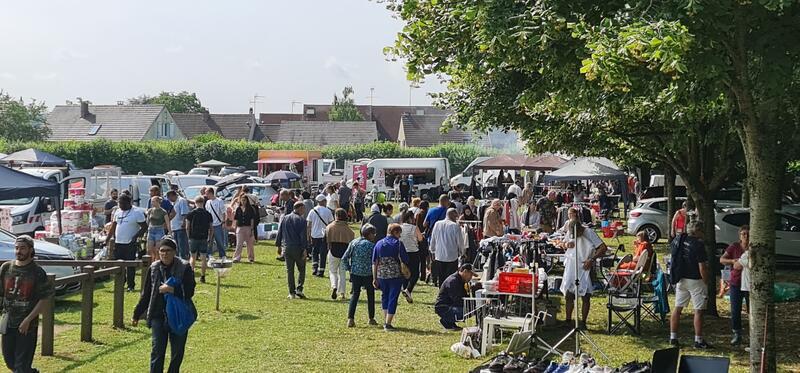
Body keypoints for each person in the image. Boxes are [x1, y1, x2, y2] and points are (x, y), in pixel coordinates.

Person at [132, 238, 196, 373]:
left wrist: (171, 289)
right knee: (157, 351)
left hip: (178, 314)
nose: (164, 254)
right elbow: (147, 293)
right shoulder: (154, 268)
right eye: (162, 251)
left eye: (168, 251)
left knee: (177, 352)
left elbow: (190, 291)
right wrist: (137, 314)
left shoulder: (184, 267)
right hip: (158, 315)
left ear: (174, 252)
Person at [1, 235, 54, 373]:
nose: (19, 251)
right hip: (7, 322)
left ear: (31, 250)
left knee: (21, 366)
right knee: (10, 362)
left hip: (27, 325)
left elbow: (44, 299)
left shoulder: (37, 272)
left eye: (23, 248)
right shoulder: (6, 268)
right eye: (17, 248)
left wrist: (28, 320)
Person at [559, 207, 608, 330]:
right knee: (569, 294)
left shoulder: (588, 232)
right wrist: (566, 244)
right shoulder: (570, 231)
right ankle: (568, 320)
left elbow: (603, 248)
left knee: (585, 295)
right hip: (571, 266)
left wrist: (591, 259)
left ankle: (583, 322)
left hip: (584, 266)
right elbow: (562, 243)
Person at [669, 220, 711, 349]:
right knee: (698, 311)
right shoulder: (698, 245)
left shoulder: (680, 240)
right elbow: (702, 267)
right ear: (698, 231)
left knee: (677, 308)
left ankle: (673, 337)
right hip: (696, 280)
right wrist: (706, 281)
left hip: (681, 278)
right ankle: (698, 340)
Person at [372, 224, 410, 331]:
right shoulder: (398, 244)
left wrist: (374, 278)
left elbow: (374, 262)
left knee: (385, 296)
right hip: (395, 275)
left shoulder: (378, 243)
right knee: (393, 298)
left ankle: (386, 319)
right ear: (395, 232)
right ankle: (388, 323)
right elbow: (406, 259)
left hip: (381, 275)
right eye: (399, 233)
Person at [106, 194, 147, 291]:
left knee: (130, 265)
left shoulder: (137, 212)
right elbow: (113, 227)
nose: (121, 205)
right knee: (119, 265)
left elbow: (144, 227)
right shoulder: (118, 212)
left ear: (129, 203)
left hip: (130, 243)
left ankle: (130, 285)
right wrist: (107, 240)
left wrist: (135, 237)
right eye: (119, 203)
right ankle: (120, 282)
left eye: (123, 203)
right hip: (118, 242)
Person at [343, 224, 379, 327]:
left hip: (355, 273)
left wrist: (349, 269)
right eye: (373, 234)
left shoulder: (354, 243)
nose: (375, 236)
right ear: (369, 234)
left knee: (355, 294)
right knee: (370, 295)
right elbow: (376, 260)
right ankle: (371, 318)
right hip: (368, 274)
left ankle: (350, 319)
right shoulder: (371, 246)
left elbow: (344, 258)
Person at [721, 225, 750, 345]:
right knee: (735, 310)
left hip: (749, 284)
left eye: (748, 234)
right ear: (740, 236)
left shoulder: (753, 247)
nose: (746, 236)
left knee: (751, 310)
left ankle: (753, 334)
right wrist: (733, 261)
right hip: (736, 282)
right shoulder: (734, 246)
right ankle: (737, 333)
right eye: (743, 234)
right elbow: (722, 259)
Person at [276, 201, 308, 299]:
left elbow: (280, 232)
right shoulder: (301, 220)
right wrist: (305, 249)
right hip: (298, 247)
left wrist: (278, 245)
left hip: (287, 247)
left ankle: (291, 292)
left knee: (290, 271)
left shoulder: (285, 218)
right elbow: (303, 237)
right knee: (301, 269)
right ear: (299, 208)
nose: (304, 211)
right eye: (303, 209)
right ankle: (299, 289)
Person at [429, 208, 466, 288]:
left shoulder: (437, 224)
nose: (457, 217)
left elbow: (433, 239)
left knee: (441, 277)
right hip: (451, 256)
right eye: (455, 215)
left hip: (439, 255)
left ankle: (441, 292)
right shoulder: (455, 226)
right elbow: (460, 241)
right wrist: (462, 252)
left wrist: (432, 251)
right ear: (452, 215)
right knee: (451, 277)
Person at [435, 264, 475, 331]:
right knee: (471, 310)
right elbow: (457, 300)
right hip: (444, 308)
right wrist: (471, 306)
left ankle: (449, 322)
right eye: (470, 275)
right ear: (465, 271)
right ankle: (446, 320)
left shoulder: (460, 280)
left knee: (472, 309)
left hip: (448, 306)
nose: (471, 277)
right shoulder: (453, 281)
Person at [326, 208, 355, 300]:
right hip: (344, 253)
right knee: (342, 274)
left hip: (333, 250)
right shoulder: (349, 230)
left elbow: (327, 240)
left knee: (332, 271)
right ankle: (342, 293)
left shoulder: (330, 227)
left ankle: (334, 286)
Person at [185, 196, 212, 283]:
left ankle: (191, 275)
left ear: (195, 203)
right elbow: (211, 228)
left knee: (193, 257)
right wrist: (210, 238)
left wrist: (188, 237)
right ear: (203, 203)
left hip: (193, 237)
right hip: (204, 237)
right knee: (203, 257)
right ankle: (203, 276)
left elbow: (187, 227)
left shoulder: (191, 214)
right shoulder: (208, 214)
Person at [399, 211, 424, 303]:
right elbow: (420, 238)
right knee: (415, 274)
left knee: (406, 272)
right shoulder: (414, 228)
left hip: (403, 252)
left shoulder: (400, 227)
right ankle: (408, 290)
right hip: (413, 252)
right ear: (409, 218)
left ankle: (405, 288)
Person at [308, 194, 334, 277]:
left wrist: (308, 235)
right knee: (323, 253)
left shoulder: (312, 211)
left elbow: (309, 224)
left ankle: (314, 268)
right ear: (323, 201)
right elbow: (331, 224)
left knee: (314, 251)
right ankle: (321, 270)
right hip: (324, 235)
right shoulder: (328, 211)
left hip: (314, 234)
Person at [233, 194, 259, 263]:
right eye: (242, 200)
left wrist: (252, 229)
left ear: (247, 201)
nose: (243, 202)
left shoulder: (250, 209)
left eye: (245, 200)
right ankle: (236, 257)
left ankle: (251, 257)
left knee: (249, 244)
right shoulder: (238, 209)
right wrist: (235, 229)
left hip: (248, 227)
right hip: (240, 227)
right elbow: (236, 219)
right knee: (239, 244)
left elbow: (252, 219)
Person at [166, 191, 190, 260]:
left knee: (182, 246)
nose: (169, 200)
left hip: (180, 227)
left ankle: (184, 260)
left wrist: (184, 222)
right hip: (174, 227)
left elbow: (185, 213)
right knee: (176, 246)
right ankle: (177, 260)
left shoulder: (181, 201)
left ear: (172, 195)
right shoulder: (173, 203)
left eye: (169, 198)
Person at [204, 187, 228, 259]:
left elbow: (223, 212)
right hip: (210, 225)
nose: (206, 195)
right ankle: (209, 254)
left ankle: (222, 255)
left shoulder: (219, 201)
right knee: (209, 241)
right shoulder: (208, 202)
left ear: (211, 193)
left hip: (218, 224)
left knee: (219, 241)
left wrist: (223, 222)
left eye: (207, 194)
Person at [414, 201, 431, 285]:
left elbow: (416, 225)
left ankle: (418, 275)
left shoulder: (418, 214)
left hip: (418, 237)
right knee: (424, 258)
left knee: (419, 258)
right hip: (424, 236)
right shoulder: (426, 214)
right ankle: (423, 275)